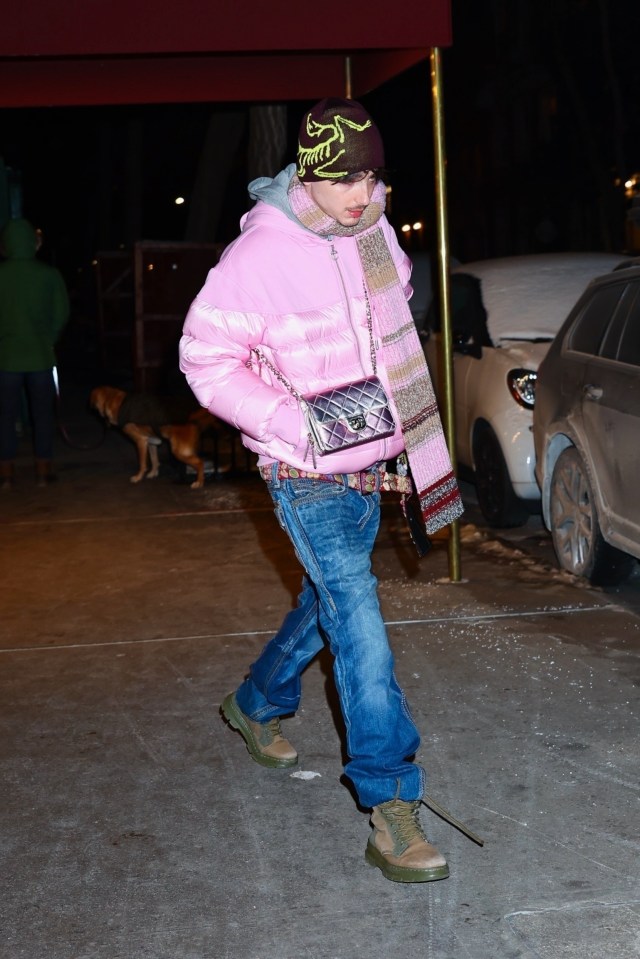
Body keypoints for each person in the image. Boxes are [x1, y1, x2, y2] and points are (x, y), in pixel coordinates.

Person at [179, 98, 466, 883]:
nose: (359, 191)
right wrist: (289, 423)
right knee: (360, 617)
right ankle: (392, 801)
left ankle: (256, 700)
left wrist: (412, 443)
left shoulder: (369, 226)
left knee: (329, 602)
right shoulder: (258, 257)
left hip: (370, 460)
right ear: (308, 170)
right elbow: (202, 357)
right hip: (303, 470)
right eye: (344, 177)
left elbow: (395, 316)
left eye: (371, 174)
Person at [0, 218, 69, 488]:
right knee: (42, 415)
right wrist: (48, 339)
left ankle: (6, 473)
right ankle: (43, 470)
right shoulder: (49, 274)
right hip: (41, 357)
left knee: (5, 416)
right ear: (33, 242)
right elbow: (61, 313)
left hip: (5, 359)